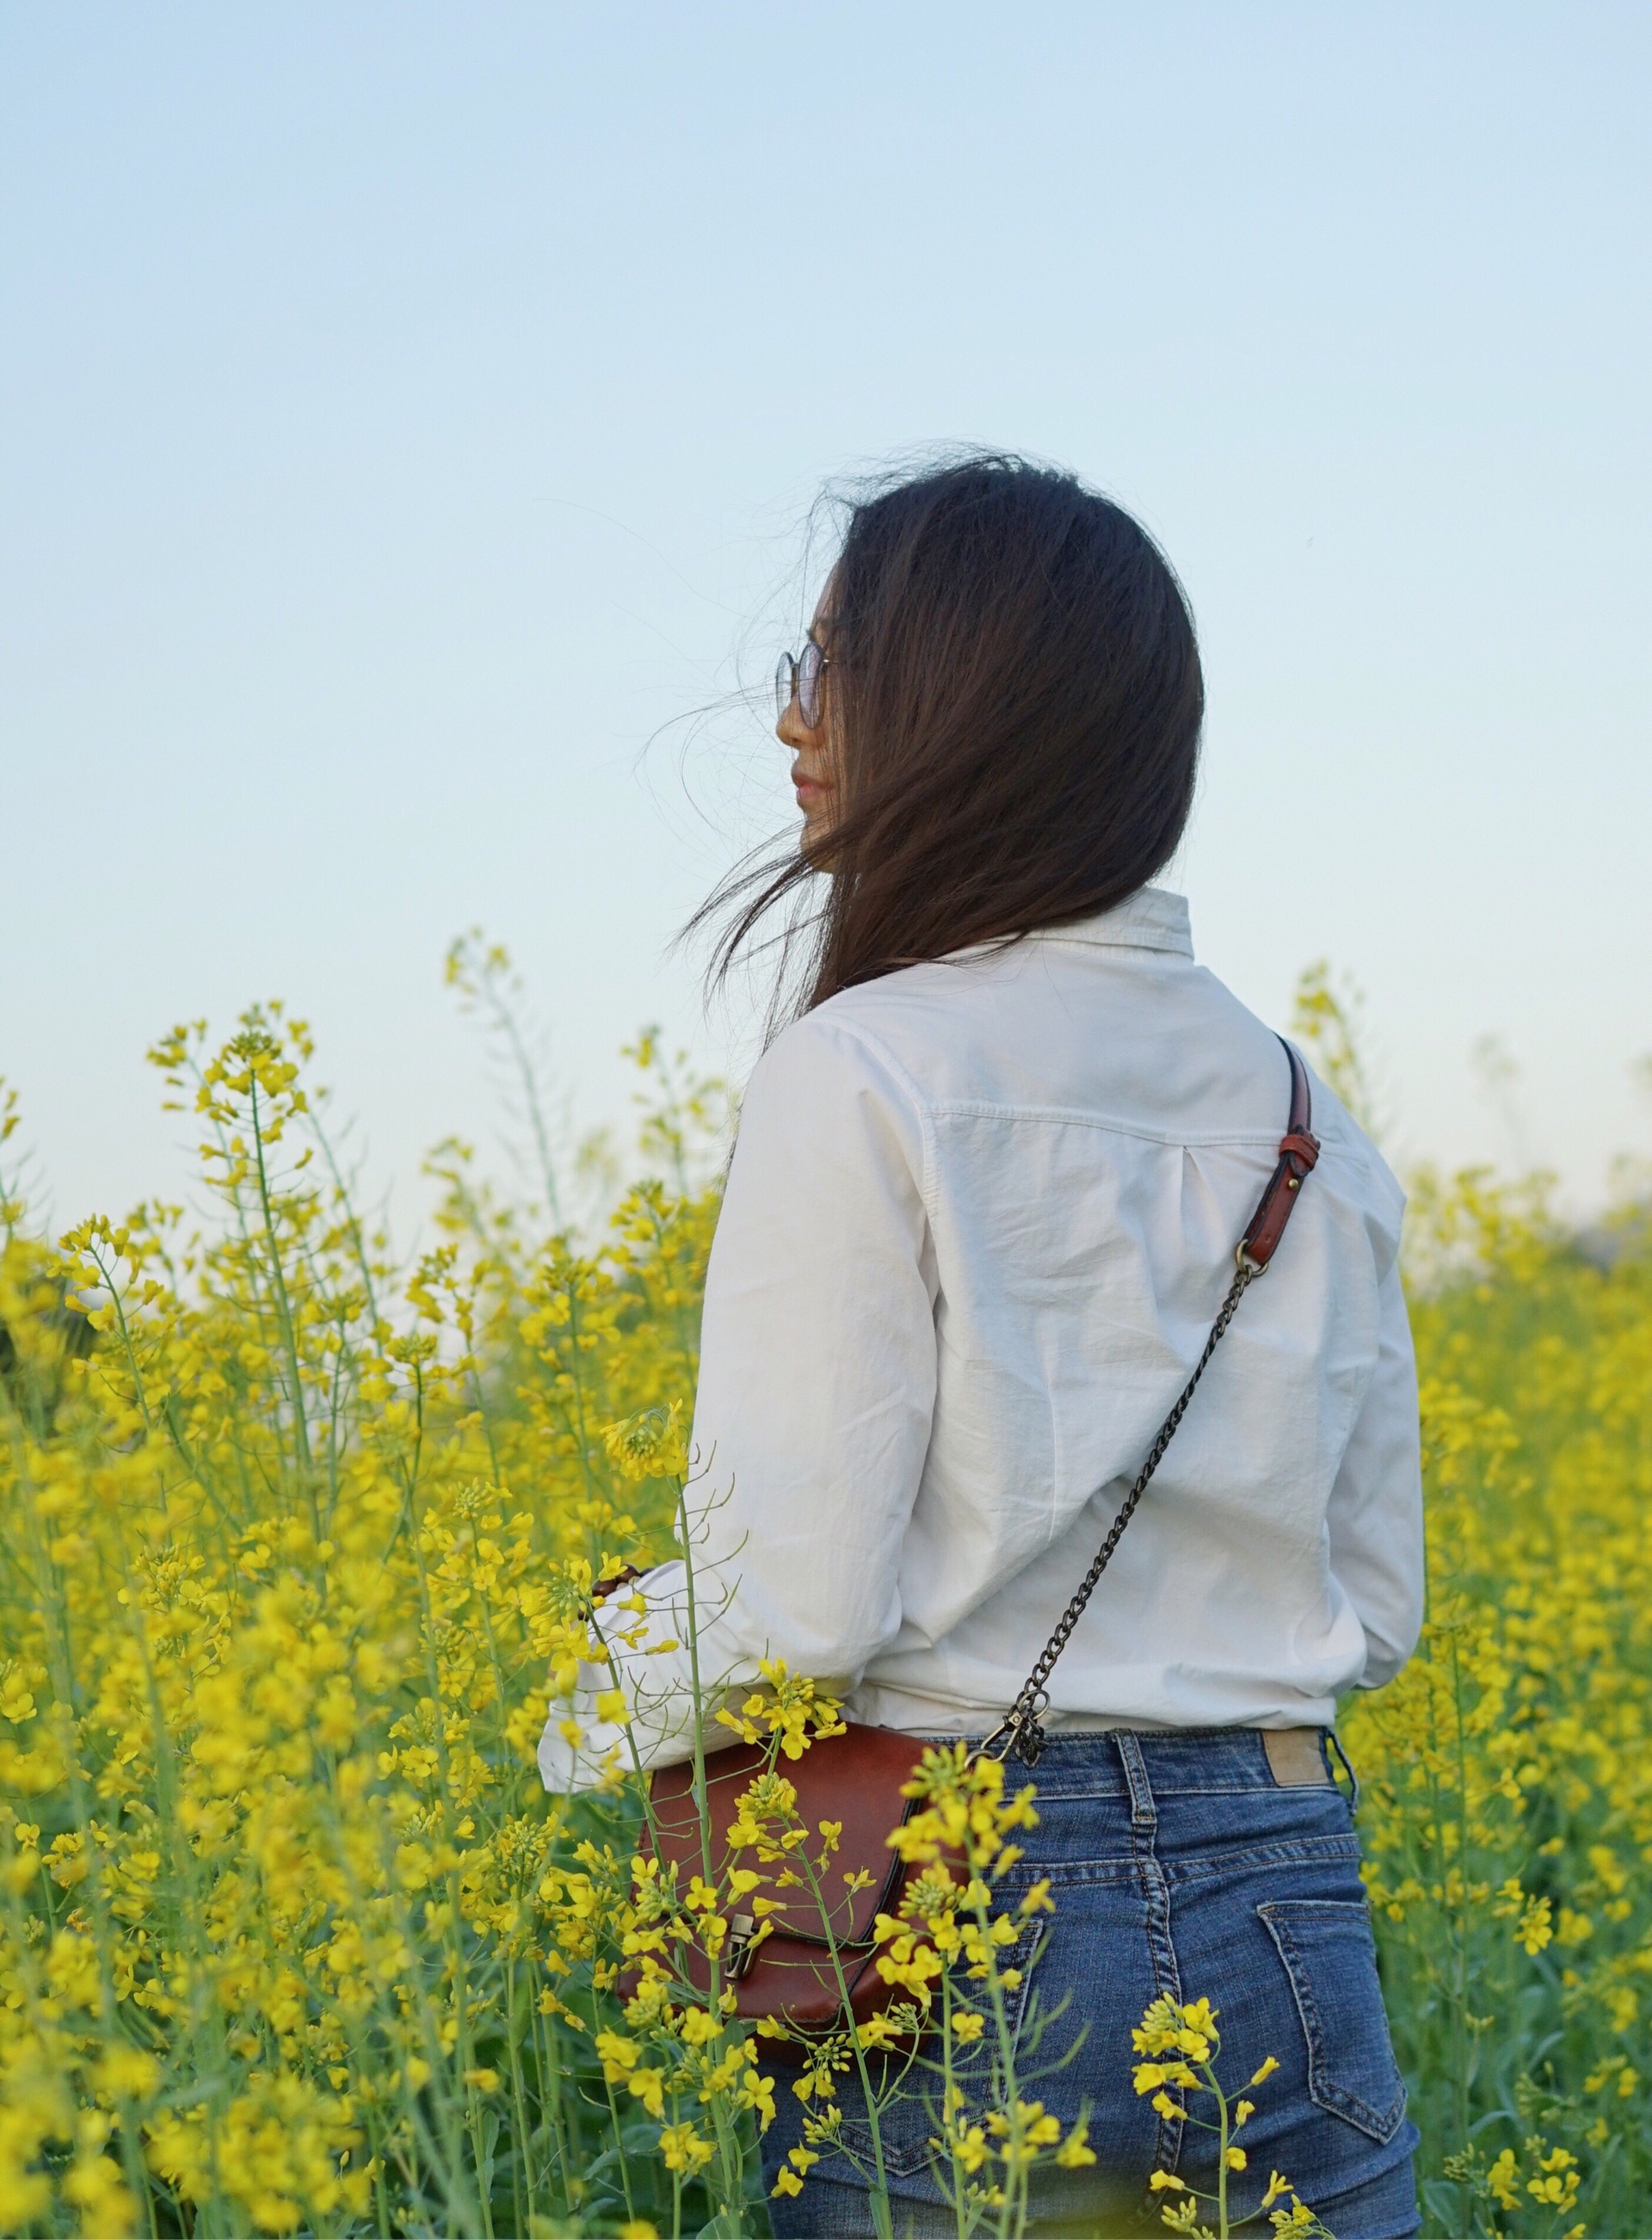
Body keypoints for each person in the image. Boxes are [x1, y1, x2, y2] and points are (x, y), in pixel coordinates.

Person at [539, 455, 1424, 2237]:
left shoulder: (863, 1069)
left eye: (829, 670)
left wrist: (573, 1710)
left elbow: (797, 1601)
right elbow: (1377, 1602)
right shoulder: (1307, 1110)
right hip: (1289, 1889)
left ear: (954, 707)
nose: (792, 726)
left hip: (961, 1899)